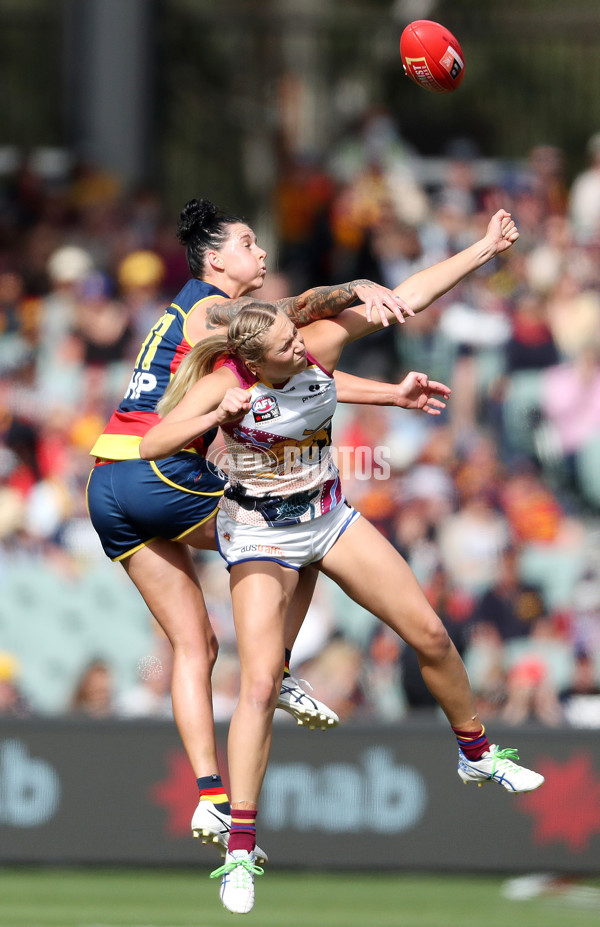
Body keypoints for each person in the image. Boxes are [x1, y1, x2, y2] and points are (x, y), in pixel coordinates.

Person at [140, 209, 545, 915]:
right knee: (261, 684)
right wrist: (214, 414)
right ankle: (240, 852)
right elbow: (150, 444)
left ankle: (476, 753)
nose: (305, 350)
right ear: (253, 362)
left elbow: (409, 297)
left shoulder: (305, 343)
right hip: (261, 533)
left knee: (430, 635)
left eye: (301, 337)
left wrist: (483, 247)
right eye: (289, 346)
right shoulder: (226, 380)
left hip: (329, 517)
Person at [87, 197, 414, 861]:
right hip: (159, 472)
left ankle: (209, 792)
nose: (259, 254)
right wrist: (353, 287)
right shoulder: (213, 307)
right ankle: (280, 669)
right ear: (215, 258)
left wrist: (384, 388)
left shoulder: (184, 308)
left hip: (106, 480)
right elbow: (300, 314)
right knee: (304, 525)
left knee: (195, 645)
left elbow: (300, 356)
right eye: (247, 243)